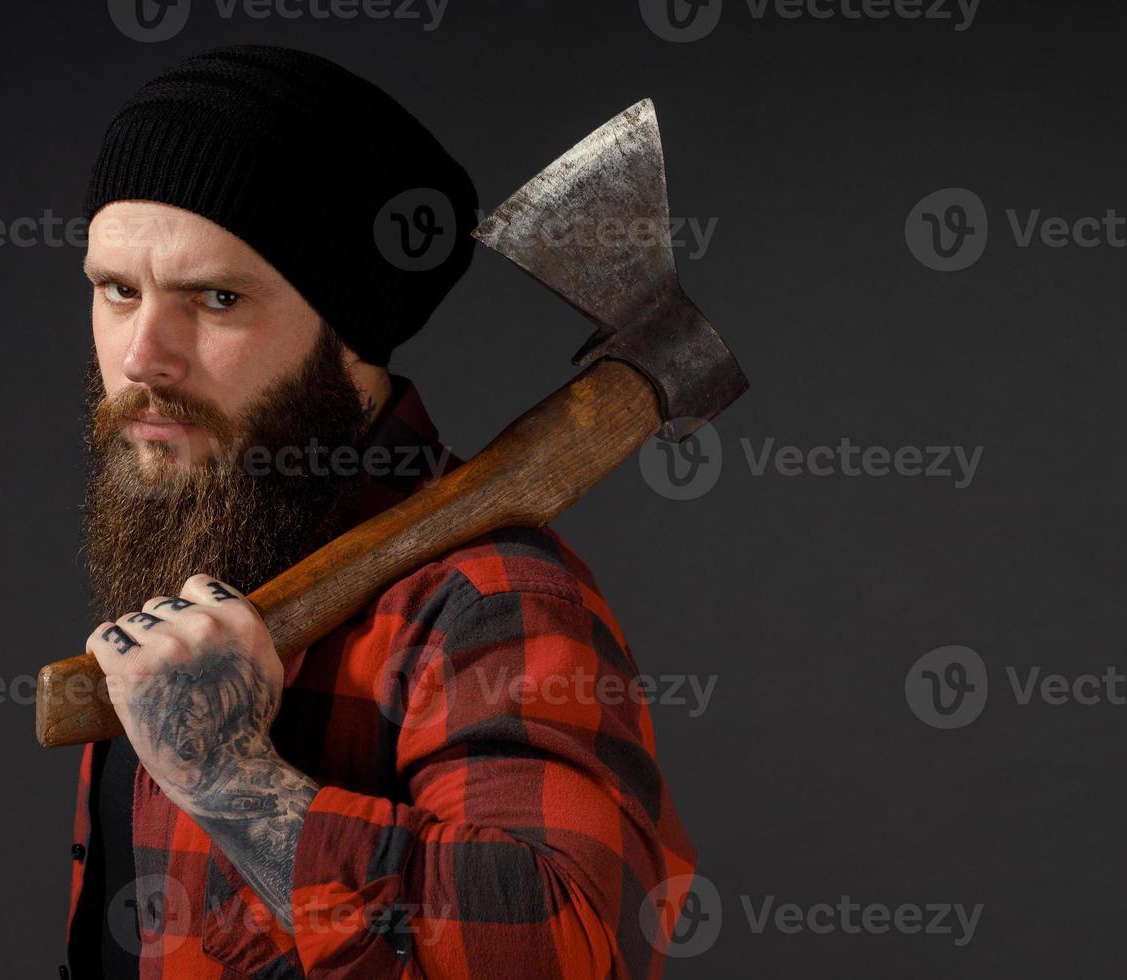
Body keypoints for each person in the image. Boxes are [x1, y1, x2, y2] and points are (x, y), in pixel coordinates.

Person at [61, 43, 697, 979]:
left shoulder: (488, 603)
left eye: (217, 298)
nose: (142, 357)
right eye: (118, 291)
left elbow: (569, 949)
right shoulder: (218, 551)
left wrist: (233, 782)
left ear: (348, 336)